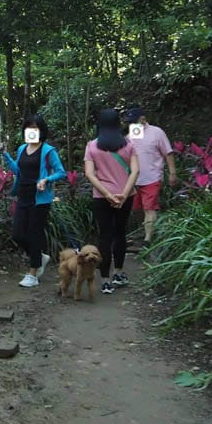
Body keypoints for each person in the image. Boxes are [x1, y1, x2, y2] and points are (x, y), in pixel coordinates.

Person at [1, 113, 67, 288]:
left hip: (40, 199)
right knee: (17, 234)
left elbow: (61, 172)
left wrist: (46, 180)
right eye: (28, 127)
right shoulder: (22, 149)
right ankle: (39, 257)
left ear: (41, 130)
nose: (31, 130)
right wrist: (6, 156)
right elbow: (18, 171)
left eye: (35, 127)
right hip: (23, 196)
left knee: (34, 234)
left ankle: (32, 274)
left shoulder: (48, 151)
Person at [84, 109, 140, 295]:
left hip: (101, 197)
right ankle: (118, 273)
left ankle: (105, 281)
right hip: (126, 196)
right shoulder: (129, 145)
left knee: (105, 237)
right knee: (120, 233)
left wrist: (108, 194)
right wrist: (124, 194)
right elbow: (135, 171)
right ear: (118, 124)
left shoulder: (92, 146)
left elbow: (89, 174)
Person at [123, 106, 177, 248]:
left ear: (143, 119)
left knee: (149, 207)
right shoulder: (131, 135)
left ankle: (148, 239)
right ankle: (145, 229)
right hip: (135, 179)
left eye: (134, 121)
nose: (131, 124)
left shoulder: (157, 132)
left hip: (152, 177)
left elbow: (168, 153)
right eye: (130, 122)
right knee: (136, 208)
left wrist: (172, 173)